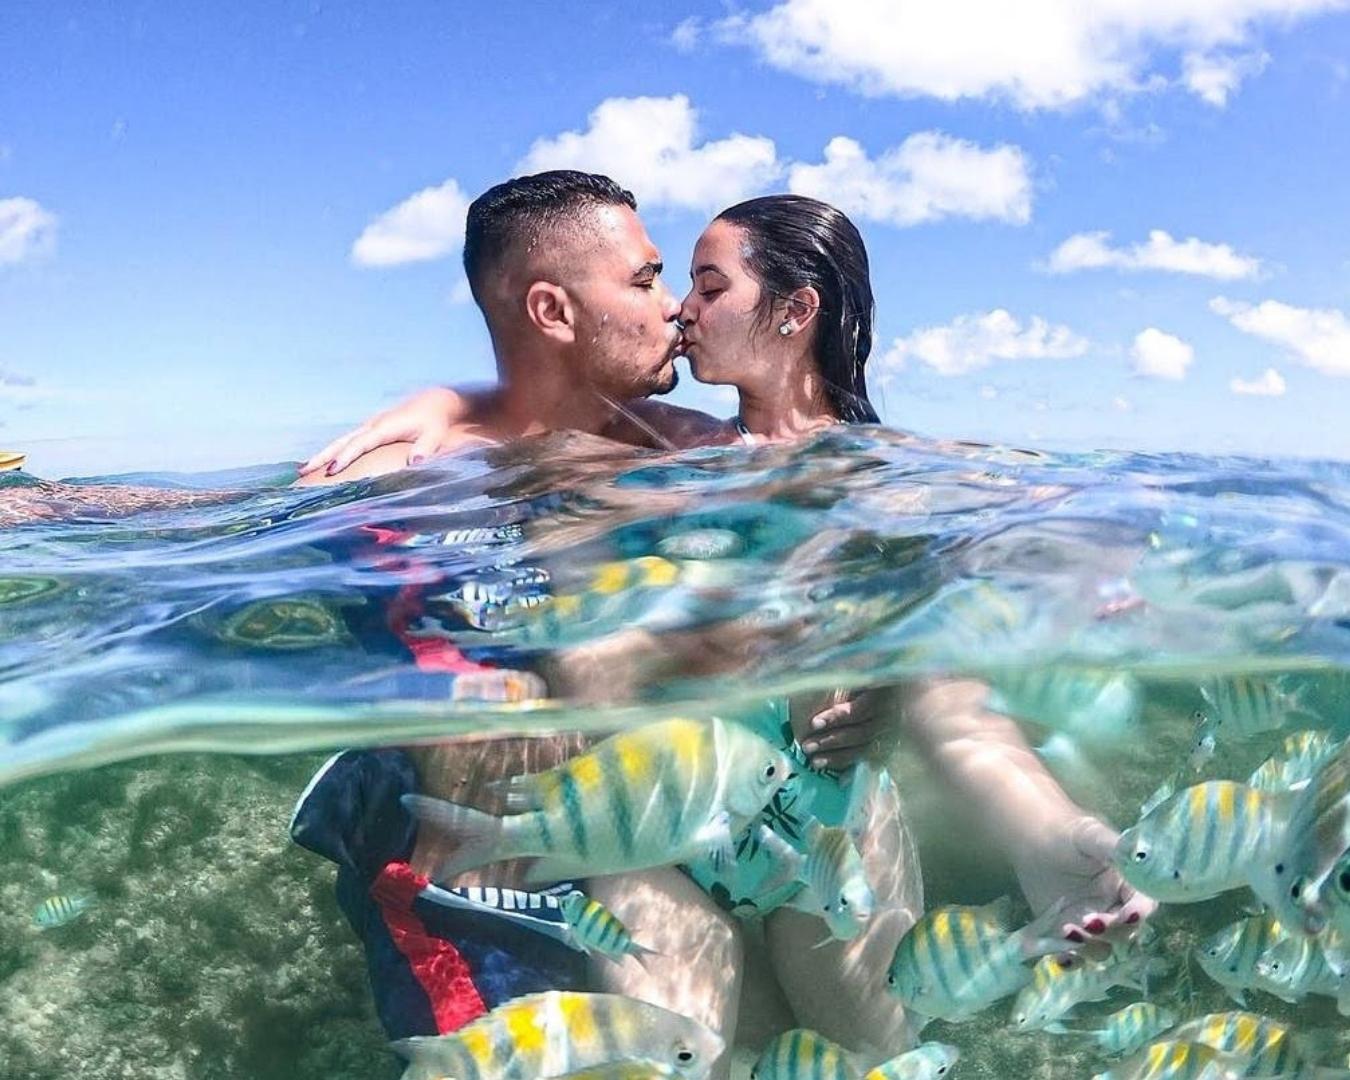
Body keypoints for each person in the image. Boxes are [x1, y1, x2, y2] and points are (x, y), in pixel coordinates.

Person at [301, 180, 1155, 1074]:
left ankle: (1049, 846)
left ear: (794, 311)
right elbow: (529, 420)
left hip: (830, 832)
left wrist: (1089, 560)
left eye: (707, 287)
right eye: (671, 283)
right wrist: (444, 403)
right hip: (657, 831)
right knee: (677, 1055)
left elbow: (979, 629)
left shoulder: (882, 469)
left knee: (869, 1056)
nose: (681, 310)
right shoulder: (671, 443)